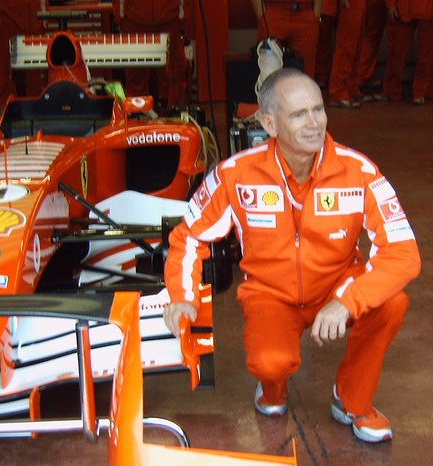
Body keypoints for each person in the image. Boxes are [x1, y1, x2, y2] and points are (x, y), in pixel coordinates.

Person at [163, 67, 421, 443]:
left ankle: (352, 399)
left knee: (391, 303)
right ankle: (272, 388)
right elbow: (188, 237)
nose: (314, 123)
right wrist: (182, 296)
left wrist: (348, 301)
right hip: (270, 293)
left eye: (318, 109)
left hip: (336, 286)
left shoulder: (359, 171)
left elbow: (403, 252)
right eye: (299, 114)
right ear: (269, 123)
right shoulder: (235, 174)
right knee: (271, 363)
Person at [113, 0, 190, 108]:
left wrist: (182, 14)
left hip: (170, 18)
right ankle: (138, 112)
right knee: (136, 76)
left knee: (173, 74)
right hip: (134, 20)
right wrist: (121, 16)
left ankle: (173, 113)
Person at [251, 0, 324, 79]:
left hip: (305, 14)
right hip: (273, 13)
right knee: (268, 73)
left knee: (306, 75)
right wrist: (262, 16)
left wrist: (316, 16)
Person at [381, 0, 433, 104]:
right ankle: (394, 90)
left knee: (424, 55)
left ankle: (420, 92)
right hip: (406, 9)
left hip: (422, 10)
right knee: (398, 53)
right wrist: (391, 4)